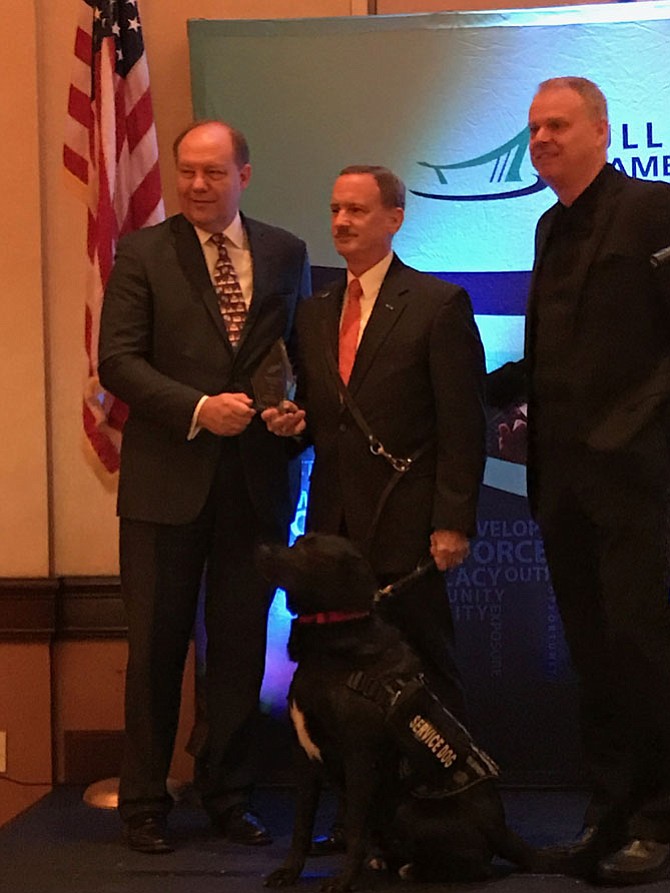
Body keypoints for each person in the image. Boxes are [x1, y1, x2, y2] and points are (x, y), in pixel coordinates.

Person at [98, 120, 311, 854]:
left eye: (212, 173)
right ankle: (146, 803)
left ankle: (229, 792)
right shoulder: (141, 252)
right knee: (156, 644)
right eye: (186, 171)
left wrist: (294, 412)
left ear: (243, 175)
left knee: (241, 648)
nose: (195, 184)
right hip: (165, 485)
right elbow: (118, 361)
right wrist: (197, 409)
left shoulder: (286, 251)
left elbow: (296, 357)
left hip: (255, 485)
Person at [264, 164, 486, 851]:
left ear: (395, 217)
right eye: (334, 209)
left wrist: (452, 519)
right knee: (342, 686)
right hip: (334, 533)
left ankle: (455, 803)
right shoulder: (316, 309)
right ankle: (365, 820)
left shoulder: (437, 304)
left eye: (358, 209)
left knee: (427, 671)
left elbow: (462, 423)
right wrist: (293, 422)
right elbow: (325, 415)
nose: (342, 221)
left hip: (409, 524)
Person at [487, 77, 670, 886]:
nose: (543, 140)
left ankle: (661, 818)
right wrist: (488, 382)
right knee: (593, 657)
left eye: (558, 125)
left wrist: (635, 427)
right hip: (560, 485)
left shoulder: (656, 209)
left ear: (602, 128)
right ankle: (609, 810)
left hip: (640, 483)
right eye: (533, 130)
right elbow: (562, 350)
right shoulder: (545, 226)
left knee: (645, 651)